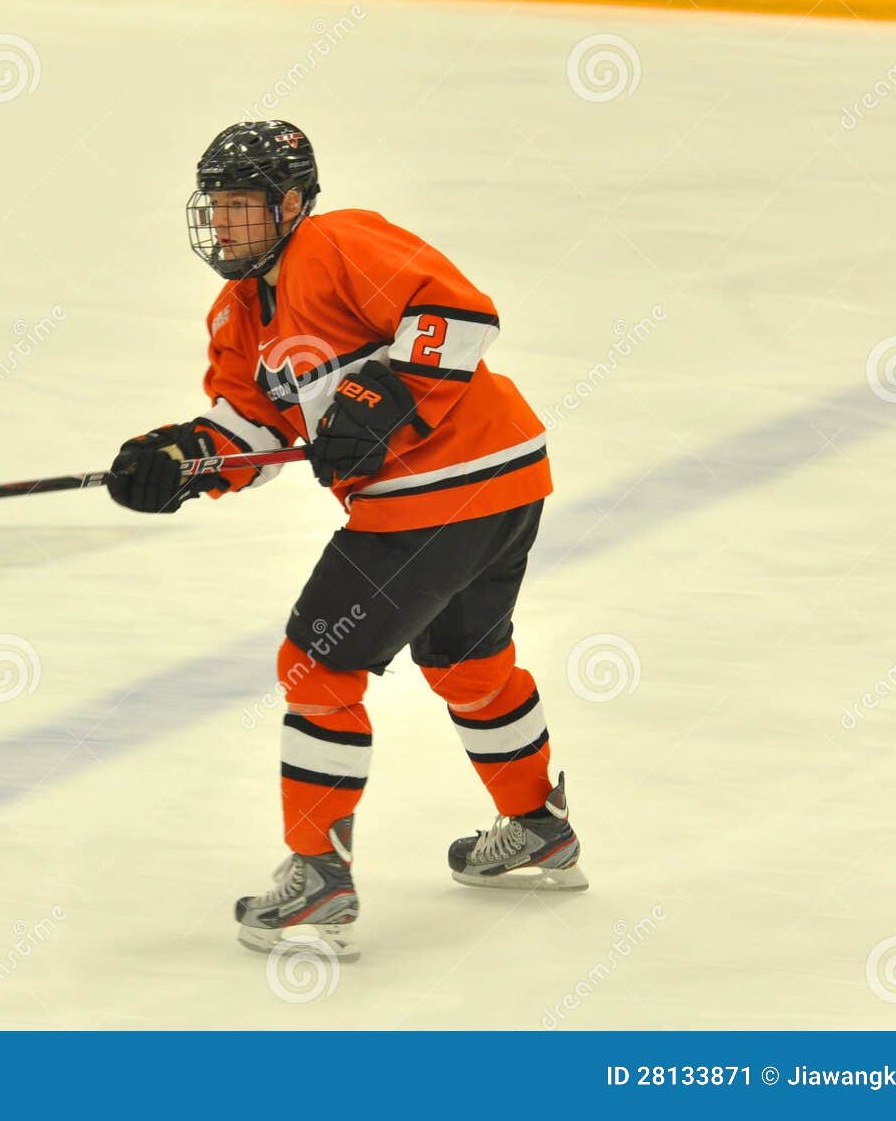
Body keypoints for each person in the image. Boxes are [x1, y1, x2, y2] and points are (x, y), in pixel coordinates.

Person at [106, 121, 586, 959]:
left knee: (314, 663)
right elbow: (249, 431)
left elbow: (458, 313)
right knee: (467, 663)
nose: (223, 225)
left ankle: (319, 873)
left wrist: (383, 395)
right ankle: (537, 824)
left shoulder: (336, 241)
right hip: (503, 482)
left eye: (242, 208)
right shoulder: (235, 315)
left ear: (291, 204)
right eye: (216, 208)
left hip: (440, 488)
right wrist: (180, 460)